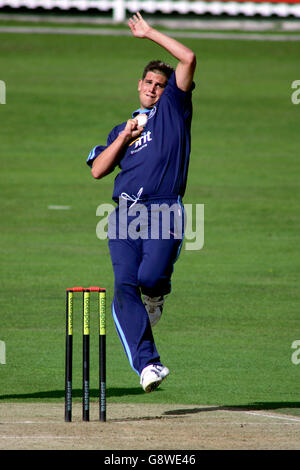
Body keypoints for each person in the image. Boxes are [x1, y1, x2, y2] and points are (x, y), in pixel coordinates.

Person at [87, 12, 196, 393]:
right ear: (139, 85)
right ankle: (148, 364)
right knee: (123, 288)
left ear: (170, 91)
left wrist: (149, 33)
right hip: (123, 217)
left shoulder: (174, 112)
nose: (153, 88)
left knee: (149, 280)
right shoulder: (123, 128)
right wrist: (124, 137)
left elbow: (189, 58)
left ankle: (157, 296)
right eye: (148, 82)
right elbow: (98, 170)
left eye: (160, 84)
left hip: (164, 208)